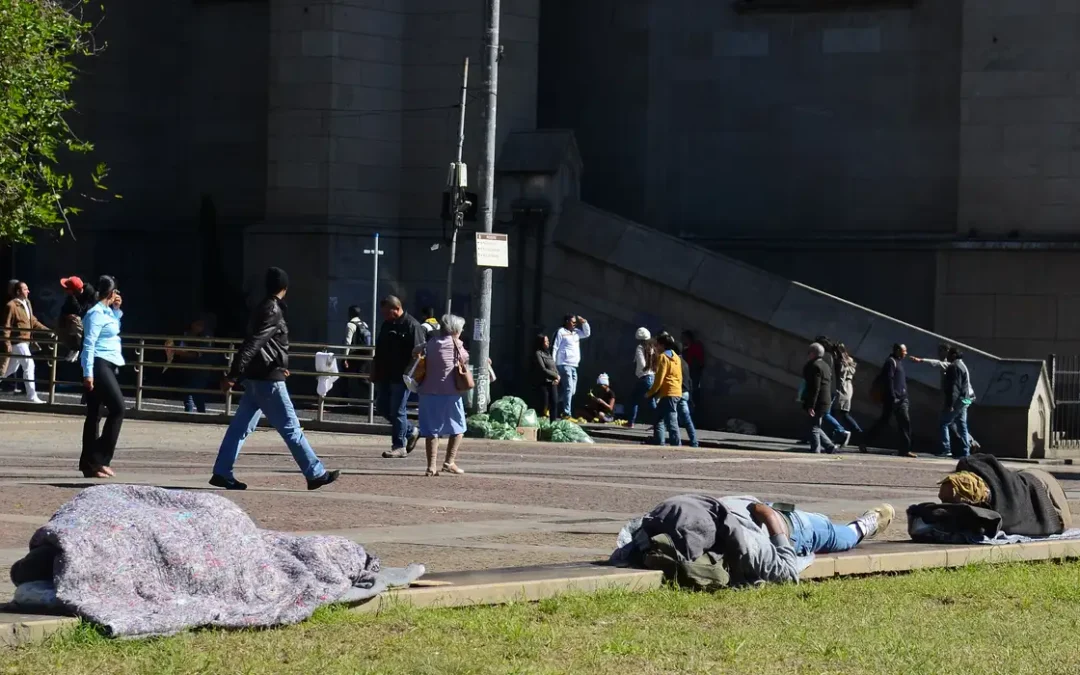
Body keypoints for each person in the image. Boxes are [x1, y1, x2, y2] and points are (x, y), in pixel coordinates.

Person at [210, 267, 339, 491]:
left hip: (258, 377)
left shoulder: (262, 307)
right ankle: (315, 473)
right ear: (285, 288)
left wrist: (270, 367)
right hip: (267, 380)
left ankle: (222, 471)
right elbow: (255, 343)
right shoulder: (272, 309)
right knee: (291, 428)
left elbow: (263, 344)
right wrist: (233, 373)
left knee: (240, 428)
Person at [79, 276, 125, 478]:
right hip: (98, 363)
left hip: (109, 361)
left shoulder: (107, 312)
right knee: (118, 408)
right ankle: (99, 458)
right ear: (111, 292)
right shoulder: (95, 314)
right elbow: (88, 345)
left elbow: (114, 328)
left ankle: (88, 464)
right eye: (116, 292)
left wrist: (116, 310)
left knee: (95, 413)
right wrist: (87, 373)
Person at [372, 295, 425, 459]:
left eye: (387, 313)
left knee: (397, 410)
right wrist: (374, 369)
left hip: (402, 376)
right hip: (385, 374)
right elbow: (379, 349)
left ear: (396, 309)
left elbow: (419, 354)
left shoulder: (412, 325)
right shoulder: (387, 324)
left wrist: (411, 375)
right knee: (381, 407)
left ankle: (399, 446)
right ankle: (411, 431)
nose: (385, 316)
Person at [418, 314, 470, 476]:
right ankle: (449, 462)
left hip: (427, 392)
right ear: (455, 330)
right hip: (450, 393)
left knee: (432, 430)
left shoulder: (430, 343)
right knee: (459, 428)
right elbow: (465, 359)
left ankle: (431, 467)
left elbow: (416, 351)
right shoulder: (457, 345)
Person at [910, 344, 981, 453]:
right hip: (969, 398)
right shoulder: (962, 365)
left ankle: (946, 449)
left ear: (951, 354)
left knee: (945, 422)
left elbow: (954, 387)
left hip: (962, 398)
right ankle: (968, 446)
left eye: (945, 352)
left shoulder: (953, 366)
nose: (944, 355)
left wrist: (950, 404)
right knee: (960, 423)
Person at [860, 343, 916, 458]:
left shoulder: (899, 362)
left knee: (905, 423)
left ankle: (905, 450)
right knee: (883, 422)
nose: (906, 353)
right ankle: (864, 441)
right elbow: (888, 380)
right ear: (897, 350)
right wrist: (893, 396)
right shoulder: (890, 362)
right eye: (904, 351)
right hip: (893, 399)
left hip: (902, 399)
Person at [1, 279, 51, 404]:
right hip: (17, 341)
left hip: (26, 341)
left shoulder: (27, 303)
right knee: (29, 364)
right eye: (25, 289)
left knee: (9, 369)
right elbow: (6, 326)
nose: (28, 291)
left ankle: (31, 395)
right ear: (18, 291)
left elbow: (32, 321)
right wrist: (6, 343)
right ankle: (31, 396)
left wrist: (47, 330)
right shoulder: (11, 305)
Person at [646, 332, 683, 446]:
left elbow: (659, 378)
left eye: (657, 345)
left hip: (668, 392)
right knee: (658, 418)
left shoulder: (663, 357)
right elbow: (679, 376)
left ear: (662, 345)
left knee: (671, 420)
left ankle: (676, 443)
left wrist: (650, 393)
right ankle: (659, 441)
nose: (656, 347)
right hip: (675, 390)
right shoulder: (676, 357)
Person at [171, 316, 214, 413]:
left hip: (201, 369)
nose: (199, 327)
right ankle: (193, 414)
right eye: (197, 324)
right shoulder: (185, 334)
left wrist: (179, 352)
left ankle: (195, 415)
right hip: (186, 368)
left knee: (194, 393)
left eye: (201, 325)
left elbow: (198, 354)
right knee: (190, 394)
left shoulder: (206, 337)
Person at [801, 342, 838, 454]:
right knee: (815, 425)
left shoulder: (814, 366)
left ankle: (815, 450)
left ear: (812, 353)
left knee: (813, 427)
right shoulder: (826, 365)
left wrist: (811, 405)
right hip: (825, 399)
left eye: (809, 352)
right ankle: (829, 446)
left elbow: (815, 387)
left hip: (818, 400)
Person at [553, 314, 591, 418]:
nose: (575, 323)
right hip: (564, 363)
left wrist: (584, 322)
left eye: (575, 322)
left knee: (571, 391)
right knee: (569, 388)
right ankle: (566, 413)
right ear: (566, 321)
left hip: (574, 364)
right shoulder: (561, 332)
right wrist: (553, 364)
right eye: (572, 321)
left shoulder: (576, 332)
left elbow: (587, 334)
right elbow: (555, 347)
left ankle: (552, 402)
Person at [831, 342, 863, 445]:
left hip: (842, 389)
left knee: (837, 414)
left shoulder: (840, 363)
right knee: (842, 414)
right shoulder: (850, 360)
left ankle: (854, 434)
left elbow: (840, 378)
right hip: (849, 388)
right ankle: (858, 435)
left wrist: (835, 391)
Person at [341, 305, 372, 398]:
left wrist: (344, 358)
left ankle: (344, 399)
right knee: (361, 376)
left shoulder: (350, 325)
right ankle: (373, 394)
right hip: (366, 354)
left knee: (344, 375)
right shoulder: (364, 324)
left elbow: (347, 342)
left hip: (355, 355)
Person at [629, 327, 656, 429]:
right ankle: (658, 423)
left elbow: (641, 363)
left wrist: (642, 371)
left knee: (633, 399)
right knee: (651, 401)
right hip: (652, 377)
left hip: (644, 378)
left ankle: (631, 422)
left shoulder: (640, 347)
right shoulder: (652, 347)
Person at [674, 341, 699, 448]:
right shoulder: (685, 363)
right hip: (685, 392)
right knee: (686, 419)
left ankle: (676, 442)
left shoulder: (675, 362)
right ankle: (694, 441)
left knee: (673, 418)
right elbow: (689, 380)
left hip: (678, 391)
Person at [530, 334, 559, 421]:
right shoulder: (538, 353)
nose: (548, 343)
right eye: (546, 341)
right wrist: (555, 375)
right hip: (544, 382)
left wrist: (557, 377)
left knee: (554, 403)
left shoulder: (548, 353)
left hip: (553, 382)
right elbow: (543, 369)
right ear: (541, 343)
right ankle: (542, 423)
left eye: (548, 341)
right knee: (544, 405)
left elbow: (553, 366)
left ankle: (553, 423)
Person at [57, 276, 86, 362]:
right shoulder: (70, 298)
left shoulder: (75, 299)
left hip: (81, 327)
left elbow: (81, 312)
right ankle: (74, 348)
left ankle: (78, 348)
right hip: (68, 327)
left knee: (74, 321)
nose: (65, 290)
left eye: (67, 288)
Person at [681, 330, 705, 408]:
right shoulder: (686, 347)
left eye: (683, 338)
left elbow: (698, 361)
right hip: (688, 373)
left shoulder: (695, 346)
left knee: (694, 391)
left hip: (693, 372)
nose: (682, 340)